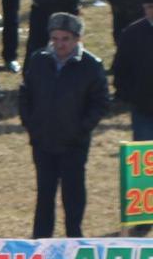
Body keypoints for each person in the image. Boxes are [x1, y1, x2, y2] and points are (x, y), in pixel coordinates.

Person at [18, 12, 107, 236]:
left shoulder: (91, 65)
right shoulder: (39, 60)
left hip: (73, 143)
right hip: (43, 140)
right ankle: (41, 240)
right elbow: (25, 93)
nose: (59, 44)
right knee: (45, 193)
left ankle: (74, 238)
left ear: (77, 39)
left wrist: (81, 129)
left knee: (73, 194)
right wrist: (31, 124)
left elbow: (100, 103)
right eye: (55, 38)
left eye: (65, 39)